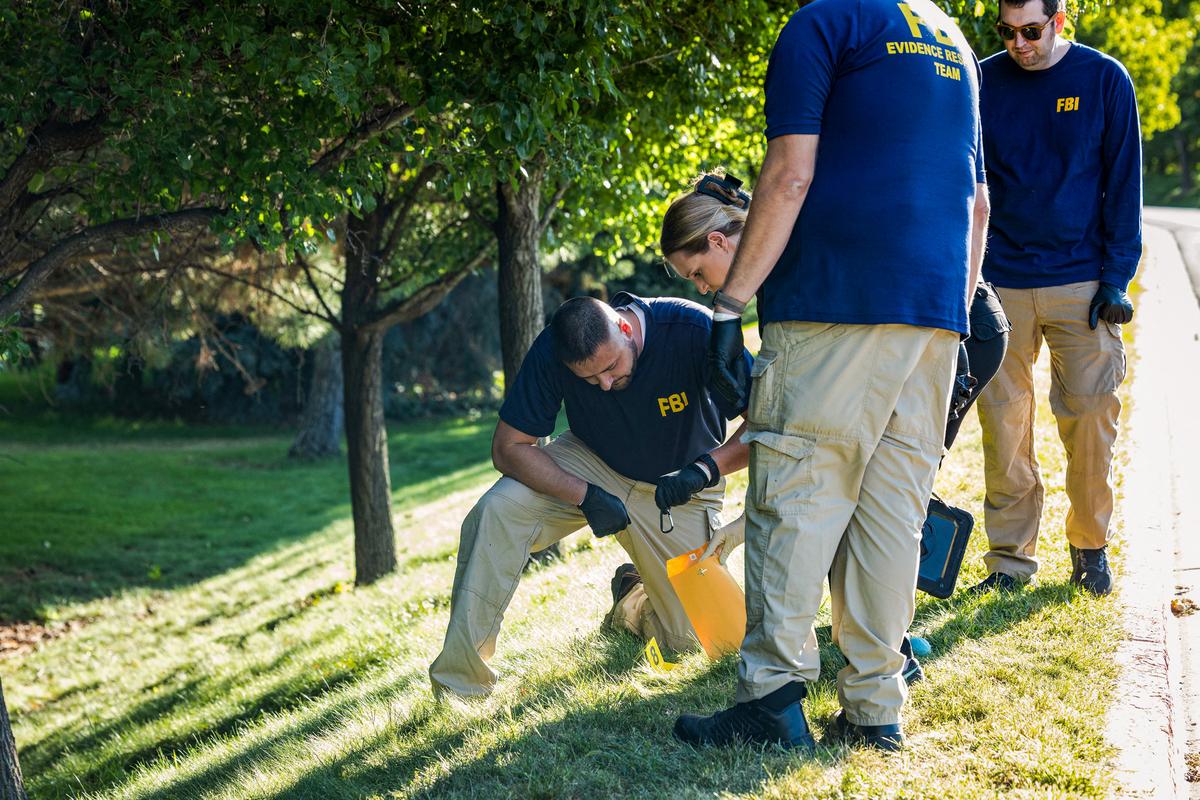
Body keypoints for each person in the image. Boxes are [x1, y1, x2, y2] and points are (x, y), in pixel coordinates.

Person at [677, 0, 989, 753]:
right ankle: (875, 707)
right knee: (891, 513)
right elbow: (977, 203)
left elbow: (788, 176)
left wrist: (728, 305)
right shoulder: (950, 35)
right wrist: (957, 313)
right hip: (936, 312)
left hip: (834, 304)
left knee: (795, 495)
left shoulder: (823, 23)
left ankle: (772, 701)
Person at [660, 172, 1010, 684]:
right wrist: (708, 471)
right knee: (863, 481)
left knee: (883, 490)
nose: (704, 288)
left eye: (697, 273)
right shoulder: (771, 260)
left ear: (718, 240)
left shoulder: (790, 249)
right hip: (917, 322)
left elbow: (801, 419)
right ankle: (880, 648)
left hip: (957, 328)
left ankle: (889, 648)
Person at [429, 293, 752, 699]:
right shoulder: (553, 347)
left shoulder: (692, 329)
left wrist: (704, 469)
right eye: (589, 379)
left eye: (611, 366)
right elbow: (508, 447)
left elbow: (766, 422)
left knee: (708, 644)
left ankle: (634, 599)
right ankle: (460, 685)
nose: (604, 383)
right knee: (496, 511)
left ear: (625, 328)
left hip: (680, 486)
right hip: (590, 463)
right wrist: (584, 495)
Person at [971, 0, 1140, 597]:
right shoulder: (983, 79)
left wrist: (1117, 279)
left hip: (1083, 281)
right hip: (1001, 281)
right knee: (1004, 423)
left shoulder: (1103, 79)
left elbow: (1124, 184)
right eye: (1008, 31)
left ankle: (1089, 547)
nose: (1019, 43)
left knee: (1092, 418)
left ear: (1059, 20)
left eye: (1031, 30)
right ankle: (1010, 560)